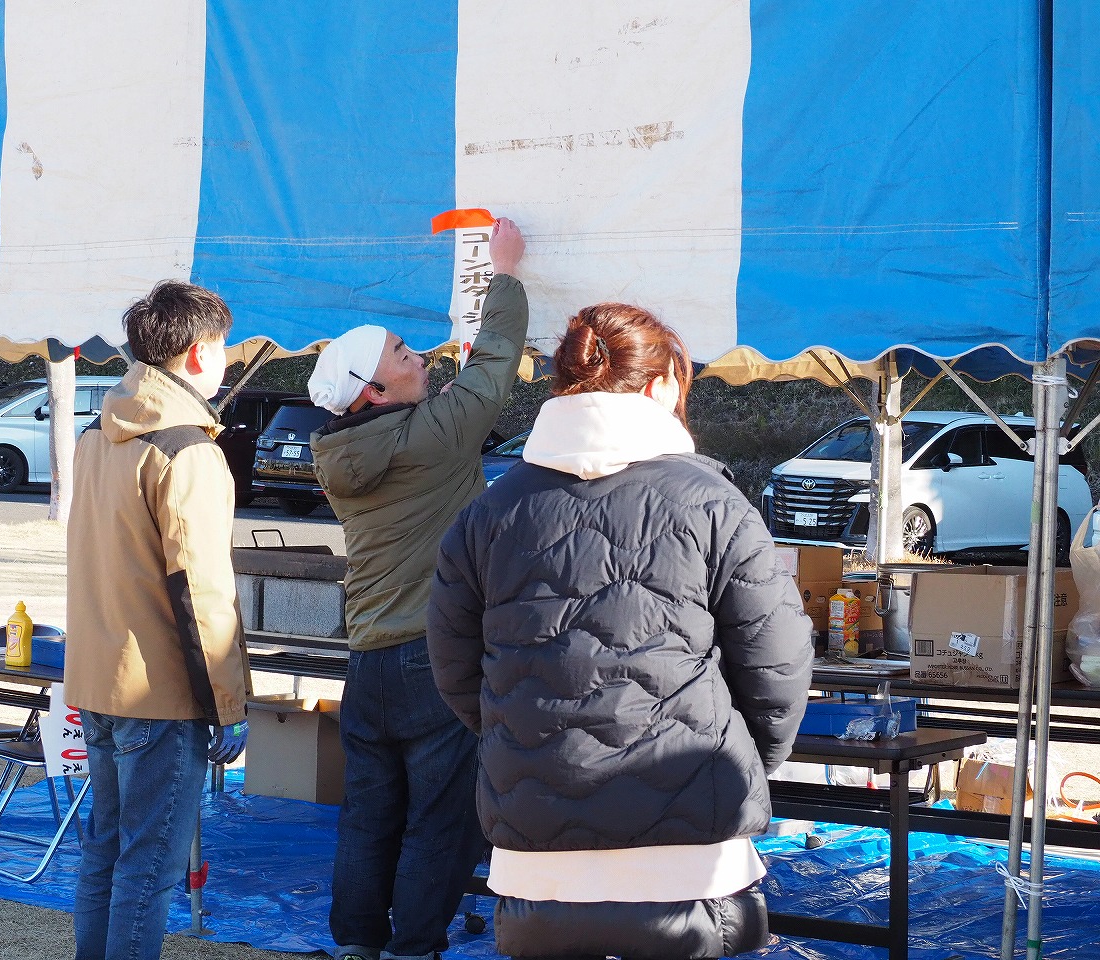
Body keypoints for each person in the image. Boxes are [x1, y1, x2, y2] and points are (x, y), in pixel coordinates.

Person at [427, 302, 814, 960]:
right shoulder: (714, 503)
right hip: (690, 847)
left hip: (536, 844)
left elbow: (455, 667)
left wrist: (526, 740)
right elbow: (777, 663)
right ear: (662, 385)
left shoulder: (489, 512)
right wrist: (738, 761)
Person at [307, 218, 528, 960]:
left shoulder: (340, 451)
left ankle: (357, 944)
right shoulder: (430, 436)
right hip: (433, 658)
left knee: (369, 814)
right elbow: (493, 365)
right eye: (404, 354)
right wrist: (505, 275)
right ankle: (414, 947)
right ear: (374, 391)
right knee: (439, 817)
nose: (419, 355)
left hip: (368, 659)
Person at [65, 280, 252, 960]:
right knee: (146, 866)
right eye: (224, 347)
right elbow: (202, 591)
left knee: (106, 852)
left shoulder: (98, 433)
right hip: (160, 691)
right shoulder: (186, 449)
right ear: (199, 353)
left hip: (99, 677)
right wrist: (229, 704)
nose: (227, 359)